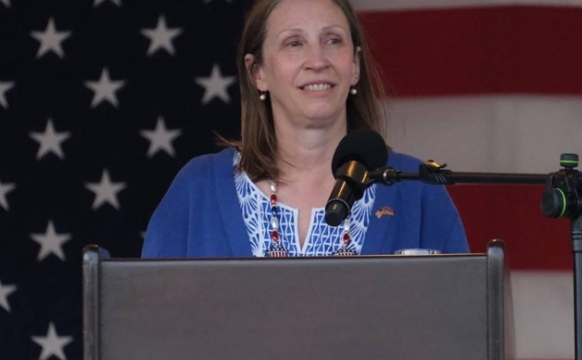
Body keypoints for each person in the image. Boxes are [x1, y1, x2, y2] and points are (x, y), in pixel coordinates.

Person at [142, 0, 468, 258]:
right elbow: (147, 327)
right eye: (294, 43)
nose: (317, 60)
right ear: (257, 73)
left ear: (354, 65)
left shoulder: (416, 187)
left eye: (333, 40)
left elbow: (463, 327)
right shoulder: (197, 189)